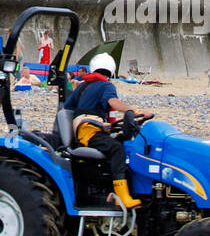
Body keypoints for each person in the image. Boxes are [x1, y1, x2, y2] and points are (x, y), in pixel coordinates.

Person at [63, 54, 148, 209]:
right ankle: (122, 197)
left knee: (120, 142)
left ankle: (110, 191)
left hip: (84, 130)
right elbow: (113, 102)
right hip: (89, 130)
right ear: (111, 71)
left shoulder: (83, 85)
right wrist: (133, 111)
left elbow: (67, 108)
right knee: (116, 149)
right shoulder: (107, 86)